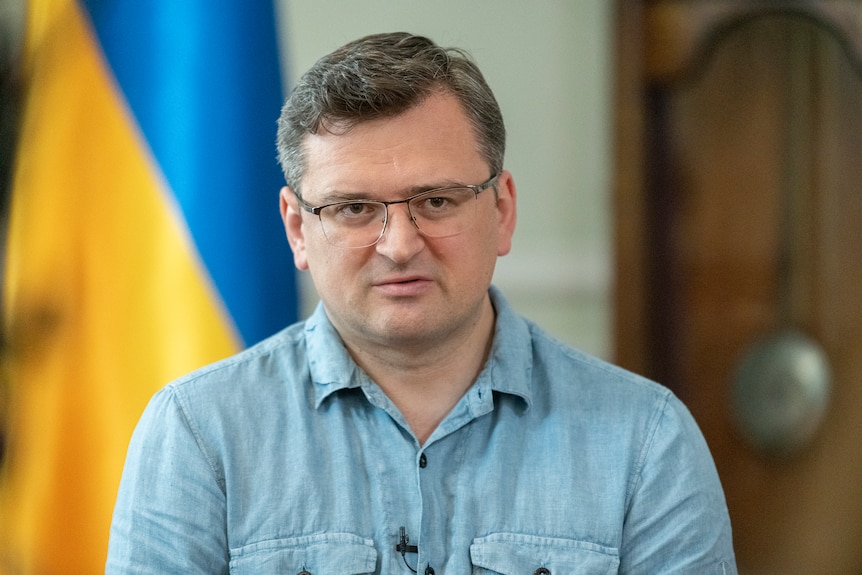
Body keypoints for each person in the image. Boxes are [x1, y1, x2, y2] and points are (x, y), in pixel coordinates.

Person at [106, 32, 737, 574]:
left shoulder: (647, 442)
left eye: (436, 199)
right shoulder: (196, 433)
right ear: (298, 229)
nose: (400, 245)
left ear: (503, 210)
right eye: (353, 208)